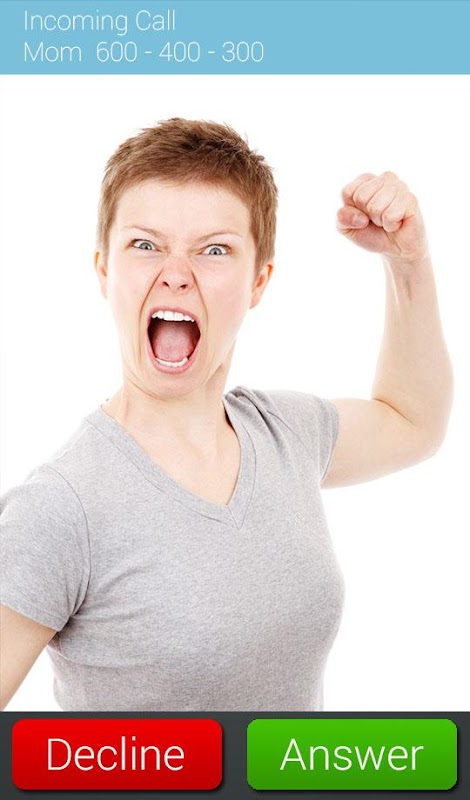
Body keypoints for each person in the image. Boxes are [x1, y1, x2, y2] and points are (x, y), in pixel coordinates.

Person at [0, 118, 452, 711]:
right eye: (145, 244)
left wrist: (408, 263)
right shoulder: (60, 508)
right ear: (105, 270)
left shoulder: (284, 434)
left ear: (258, 281)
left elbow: (413, 420)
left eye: (214, 250)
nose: (176, 274)